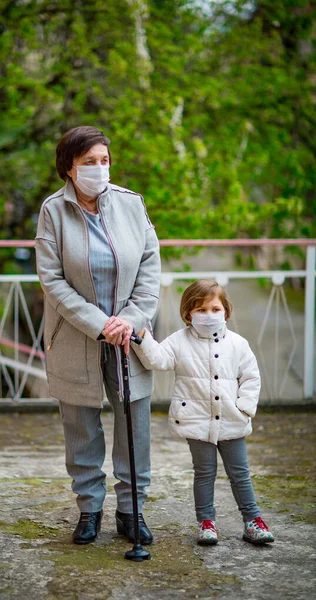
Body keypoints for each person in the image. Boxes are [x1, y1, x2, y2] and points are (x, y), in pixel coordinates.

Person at [35, 126, 161, 545]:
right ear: (69, 167)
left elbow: (150, 268)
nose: (99, 168)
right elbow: (51, 280)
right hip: (75, 335)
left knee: (133, 425)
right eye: (89, 162)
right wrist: (99, 323)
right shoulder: (53, 211)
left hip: (129, 335)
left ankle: (131, 510)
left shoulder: (131, 204)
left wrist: (130, 318)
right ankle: (89, 510)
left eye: (104, 160)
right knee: (81, 427)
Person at [132, 279, 274, 545]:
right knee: (204, 472)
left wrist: (244, 407)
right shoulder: (178, 341)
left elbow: (251, 377)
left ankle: (252, 520)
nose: (209, 315)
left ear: (226, 311)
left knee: (239, 473)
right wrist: (143, 341)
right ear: (189, 313)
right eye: (201, 310)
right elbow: (159, 359)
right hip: (196, 420)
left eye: (214, 309)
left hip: (232, 418)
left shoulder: (238, 344)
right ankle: (206, 522)